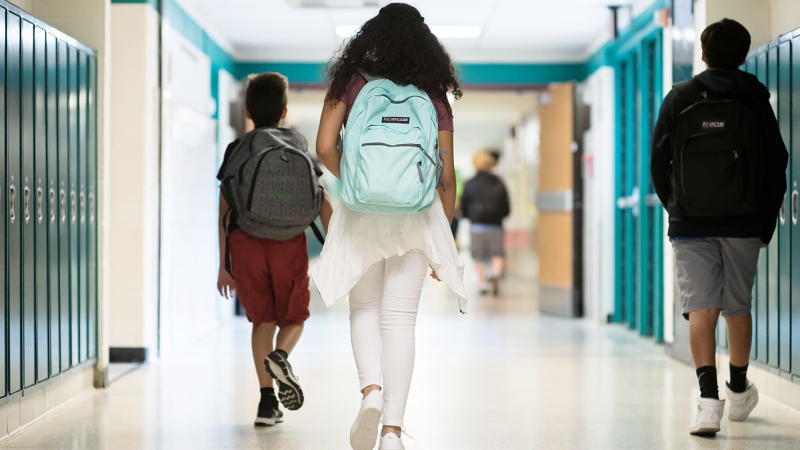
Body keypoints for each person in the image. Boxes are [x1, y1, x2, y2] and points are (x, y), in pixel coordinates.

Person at [311, 4, 467, 449]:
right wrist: (444, 237)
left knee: (363, 309)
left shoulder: (350, 83)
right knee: (400, 320)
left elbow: (324, 147)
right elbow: (447, 176)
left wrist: (360, 186)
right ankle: (393, 432)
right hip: (416, 218)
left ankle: (370, 393)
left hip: (360, 217)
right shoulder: (434, 95)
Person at [651, 19, 788, 436]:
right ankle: (739, 388)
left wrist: (677, 208)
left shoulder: (680, 97)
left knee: (701, 306)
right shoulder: (754, 99)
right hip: (744, 220)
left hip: (690, 221)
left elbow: (660, 163)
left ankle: (708, 403)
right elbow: (777, 164)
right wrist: (764, 224)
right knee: (736, 306)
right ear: (744, 55)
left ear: (704, 53)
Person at [216, 73, 334, 427]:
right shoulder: (297, 142)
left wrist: (225, 265)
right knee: (295, 317)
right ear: (284, 111)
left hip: (246, 242)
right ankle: (281, 356)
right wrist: (339, 247)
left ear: (249, 112)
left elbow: (224, 213)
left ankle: (267, 404)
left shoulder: (237, 148)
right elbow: (322, 198)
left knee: (262, 320)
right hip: (289, 243)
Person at [460, 151, 510, 296]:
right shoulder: (499, 182)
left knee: (478, 255)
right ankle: (495, 273)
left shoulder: (470, 183)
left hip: (477, 226)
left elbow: (464, 205)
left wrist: (469, 216)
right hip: (496, 225)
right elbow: (506, 206)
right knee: (497, 253)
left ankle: (482, 283)